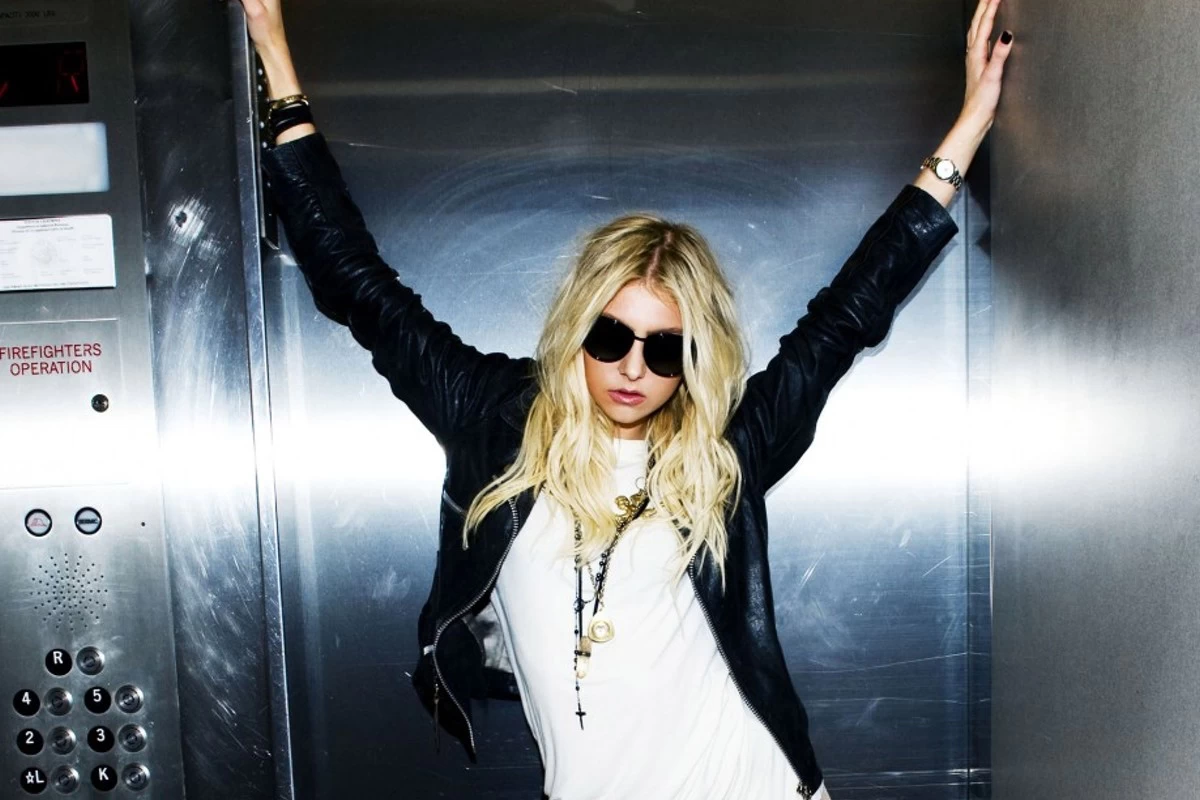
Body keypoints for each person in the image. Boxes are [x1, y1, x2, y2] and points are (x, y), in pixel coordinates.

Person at [239, 1, 1012, 797]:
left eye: (664, 348)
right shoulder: (495, 418)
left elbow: (842, 319)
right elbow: (358, 285)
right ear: (578, 327)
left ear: (690, 361)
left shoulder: (722, 455)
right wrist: (276, 57)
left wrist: (968, 130)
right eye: (611, 337)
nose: (633, 368)